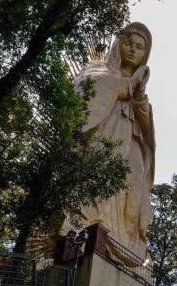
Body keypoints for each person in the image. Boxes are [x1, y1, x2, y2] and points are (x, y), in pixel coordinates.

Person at [62, 22, 156, 266]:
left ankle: (127, 251)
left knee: (134, 193)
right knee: (98, 184)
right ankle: (87, 237)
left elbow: (148, 133)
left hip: (131, 140)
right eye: (129, 43)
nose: (134, 50)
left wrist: (140, 97)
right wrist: (126, 86)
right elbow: (87, 89)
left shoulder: (140, 91)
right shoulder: (98, 68)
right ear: (118, 44)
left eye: (140, 47)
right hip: (104, 134)